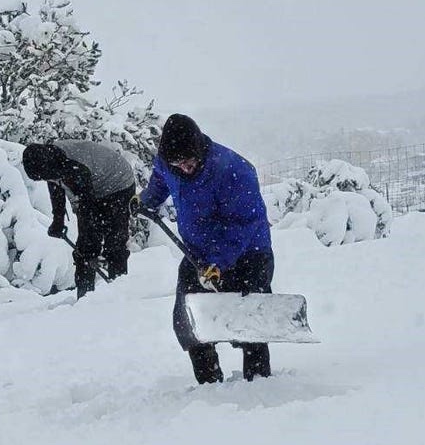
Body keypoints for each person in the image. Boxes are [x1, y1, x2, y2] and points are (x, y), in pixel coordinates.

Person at [139, 113, 273, 384]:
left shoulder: (234, 171)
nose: (185, 168)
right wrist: (146, 200)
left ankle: (260, 386)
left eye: (189, 162)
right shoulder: (169, 164)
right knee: (188, 319)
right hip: (198, 253)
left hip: (248, 253)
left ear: (199, 149)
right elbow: (161, 179)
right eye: (178, 163)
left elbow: (243, 225)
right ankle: (209, 385)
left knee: (248, 320)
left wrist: (219, 262)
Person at [22, 139, 136, 298]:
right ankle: (84, 298)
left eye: (44, 176)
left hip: (118, 184)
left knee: (113, 241)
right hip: (96, 184)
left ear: (49, 168)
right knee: (86, 248)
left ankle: (119, 291)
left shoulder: (74, 168)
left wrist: (88, 249)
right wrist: (58, 219)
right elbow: (56, 187)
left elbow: (87, 210)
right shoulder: (50, 162)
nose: (45, 179)